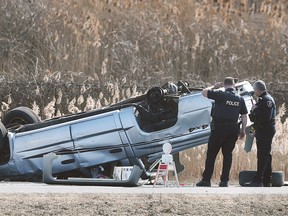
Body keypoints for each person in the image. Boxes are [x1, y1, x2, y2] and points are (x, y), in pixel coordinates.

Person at [196, 77, 248, 187]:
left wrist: (215, 87)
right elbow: (244, 115)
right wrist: (243, 130)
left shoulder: (220, 94)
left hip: (219, 129)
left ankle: (206, 180)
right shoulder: (240, 98)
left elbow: (203, 92)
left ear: (224, 85)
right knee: (228, 155)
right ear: (234, 85)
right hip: (233, 130)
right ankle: (224, 181)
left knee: (211, 154)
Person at [244, 80, 276, 187]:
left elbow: (265, 117)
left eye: (254, 90)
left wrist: (256, 109)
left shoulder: (267, 100)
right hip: (261, 129)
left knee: (263, 155)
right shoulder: (261, 100)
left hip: (266, 130)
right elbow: (254, 118)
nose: (254, 92)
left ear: (258, 90)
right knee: (266, 155)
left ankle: (259, 180)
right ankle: (267, 180)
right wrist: (253, 110)